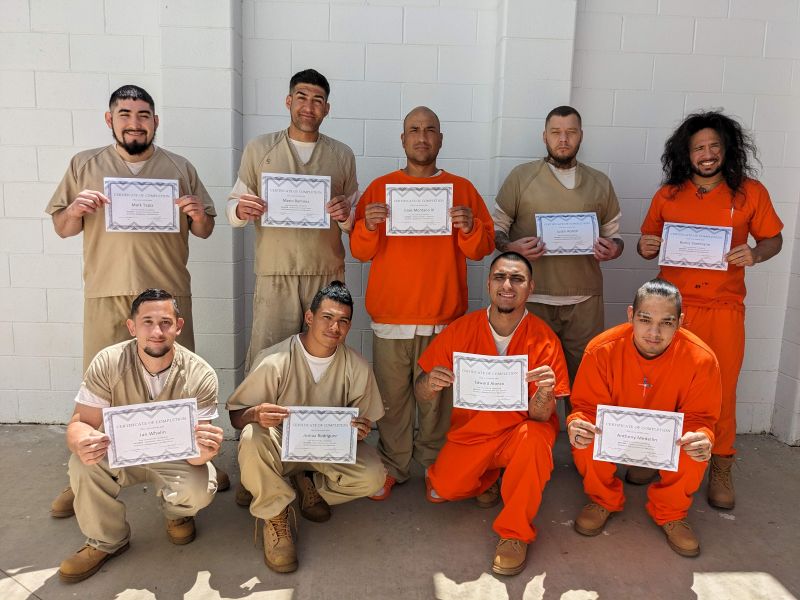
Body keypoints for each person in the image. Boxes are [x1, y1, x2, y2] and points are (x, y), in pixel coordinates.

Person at [44, 84, 225, 518]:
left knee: (177, 385)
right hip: (108, 292)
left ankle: (193, 465)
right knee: (103, 388)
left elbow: (205, 230)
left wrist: (198, 213)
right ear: (110, 119)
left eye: (143, 114)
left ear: (155, 122)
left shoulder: (180, 167)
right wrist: (75, 210)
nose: (134, 122)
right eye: (124, 114)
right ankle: (88, 475)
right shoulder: (83, 165)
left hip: (167, 298)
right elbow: (63, 229)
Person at [638, 111, 783, 508]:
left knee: (721, 391)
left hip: (723, 307)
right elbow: (647, 240)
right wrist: (646, 246)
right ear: (686, 153)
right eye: (699, 147)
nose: (707, 153)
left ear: (727, 149)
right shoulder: (668, 194)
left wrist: (755, 253)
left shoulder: (750, 192)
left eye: (714, 146)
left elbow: (774, 239)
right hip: (672, 309)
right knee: (663, 383)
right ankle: (653, 453)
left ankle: (721, 464)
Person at [349, 106, 495, 501]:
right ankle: (395, 465)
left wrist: (469, 227)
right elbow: (360, 252)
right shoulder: (380, 189)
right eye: (414, 130)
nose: (422, 136)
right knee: (393, 400)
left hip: (444, 319)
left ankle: (434, 465)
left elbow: (483, 248)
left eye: (430, 130)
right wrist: (369, 226)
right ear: (403, 139)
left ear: (441, 139)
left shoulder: (462, 189)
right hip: (391, 316)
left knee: (436, 400)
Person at [416, 252, 570, 576]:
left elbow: (542, 419)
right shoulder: (462, 330)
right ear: (489, 283)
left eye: (517, 279)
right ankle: (491, 478)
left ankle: (514, 533)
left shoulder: (544, 339)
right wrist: (430, 383)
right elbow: (420, 391)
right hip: (473, 435)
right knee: (441, 489)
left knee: (535, 439)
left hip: (520, 434)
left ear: (530, 287)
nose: (507, 286)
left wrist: (544, 393)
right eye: (500, 277)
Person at [58, 289, 224, 583]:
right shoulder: (108, 361)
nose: (156, 331)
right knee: (81, 464)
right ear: (132, 326)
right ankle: (106, 540)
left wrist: (207, 452)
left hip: (173, 458)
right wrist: (81, 440)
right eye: (147, 322)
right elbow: (80, 423)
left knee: (201, 484)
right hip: (118, 453)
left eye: (165, 322)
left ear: (179, 326)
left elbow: (196, 454)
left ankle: (177, 512)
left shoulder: (201, 374)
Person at [226, 281, 384, 574]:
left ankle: (306, 484)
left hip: (321, 453)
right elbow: (236, 417)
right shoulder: (275, 360)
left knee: (374, 476)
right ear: (310, 318)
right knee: (251, 435)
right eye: (327, 317)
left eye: (343, 321)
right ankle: (275, 512)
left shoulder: (357, 366)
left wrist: (360, 429)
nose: (334, 327)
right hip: (281, 450)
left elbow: (364, 421)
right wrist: (255, 414)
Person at [568, 279, 721, 557]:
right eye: (645, 319)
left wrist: (703, 437)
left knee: (694, 450)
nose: (654, 332)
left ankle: (671, 511)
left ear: (680, 322)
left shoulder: (701, 359)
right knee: (585, 437)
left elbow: (701, 418)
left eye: (666, 322)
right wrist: (576, 422)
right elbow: (586, 407)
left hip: (667, 441)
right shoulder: (601, 350)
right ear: (630, 316)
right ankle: (602, 499)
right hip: (615, 436)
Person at [227, 69, 358, 374]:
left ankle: (319, 421)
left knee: (324, 357)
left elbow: (355, 221)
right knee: (269, 357)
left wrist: (346, 215)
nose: (308, 107)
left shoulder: (342, 155)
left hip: (325, 273)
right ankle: (261, 422)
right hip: (276, 272)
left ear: (326, 108)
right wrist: (241, 210)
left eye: (317, 100)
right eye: (301, 97)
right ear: (288, 101)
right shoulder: (260, 149)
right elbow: (233, 209)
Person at [493, 106, 623, 385]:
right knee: (530, 383)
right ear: (544, 136)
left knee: (584, 383)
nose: (563, 139)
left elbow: (616, 237)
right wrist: (511, 246)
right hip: (533, 298)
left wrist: (614, 249)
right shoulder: (521, 177)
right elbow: (496, 231)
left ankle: (577, 430)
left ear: (581, 136)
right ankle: (533, 432)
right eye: (556, 132)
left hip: (584, 300)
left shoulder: (600, 182)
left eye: (570, 132)